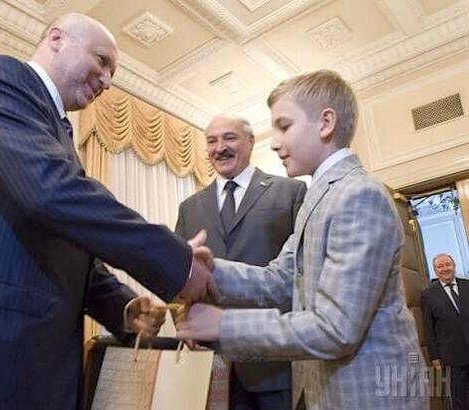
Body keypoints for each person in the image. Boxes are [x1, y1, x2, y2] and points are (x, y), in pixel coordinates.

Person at [0, 14, 216, 410]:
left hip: (23, 365)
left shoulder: (55, 132)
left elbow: (57, 239)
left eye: (112, 73)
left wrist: (121, 306)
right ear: (56, 39)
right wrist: (176, 262)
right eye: (102, 60)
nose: (107, 81)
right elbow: (51, 192)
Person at [177, 70, 427, 409]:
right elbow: (281, 278)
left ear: (325, 123)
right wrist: (211, 270)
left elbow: (335, 328)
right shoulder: (320, 196)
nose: (274, 143)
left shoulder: (358, 196)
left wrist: (224, 324)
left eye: (284, 126)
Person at [175, 114, 306, 410]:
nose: (220, 147)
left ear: (250, 141)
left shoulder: (291, 192)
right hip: (210, 362)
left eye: (229, 138)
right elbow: (180, 275)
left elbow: (300, 273)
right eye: (212, 141)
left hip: (272, 361)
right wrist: (183, 320)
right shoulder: (188, 208)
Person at [422, 253, 469, 410]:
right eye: (440, 266)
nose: (445, 269)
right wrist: (434, 356)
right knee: (459, 396)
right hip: (451, 355)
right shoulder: (428, 295)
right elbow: (428, 328)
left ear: (454, 266)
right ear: (435, 270)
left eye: (447, 264)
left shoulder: (467, 285)